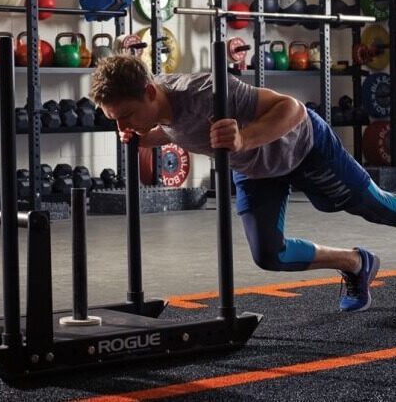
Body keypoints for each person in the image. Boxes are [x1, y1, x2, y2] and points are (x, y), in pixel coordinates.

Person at [89, 54, 393, 312]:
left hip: (304, 148)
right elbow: (179, 130)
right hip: (256, 169)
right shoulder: (158, 109)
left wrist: (244, 138)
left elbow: (293, 109)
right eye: (115, 119)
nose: (122, 126)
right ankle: (356, 262)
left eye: (126, 116)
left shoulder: (205, 93)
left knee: (375, 207)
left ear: (150, 92)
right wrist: (145, 139)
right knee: (269, 254)